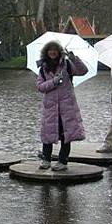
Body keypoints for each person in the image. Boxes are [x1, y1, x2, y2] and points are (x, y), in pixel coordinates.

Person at [36, 41, 87, 171]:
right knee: (48, 133)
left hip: (66, 106)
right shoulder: (43, 68)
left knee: (66, 134)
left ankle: (63, 161)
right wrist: (53, 82)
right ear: (46, 52)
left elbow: (83, 71)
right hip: (51, 107)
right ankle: (46, 160)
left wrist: (73, 58)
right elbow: (40, 87)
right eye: (50, 50)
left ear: (59, 52)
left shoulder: (67, 65)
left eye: (55, 50)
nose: (52, 52)